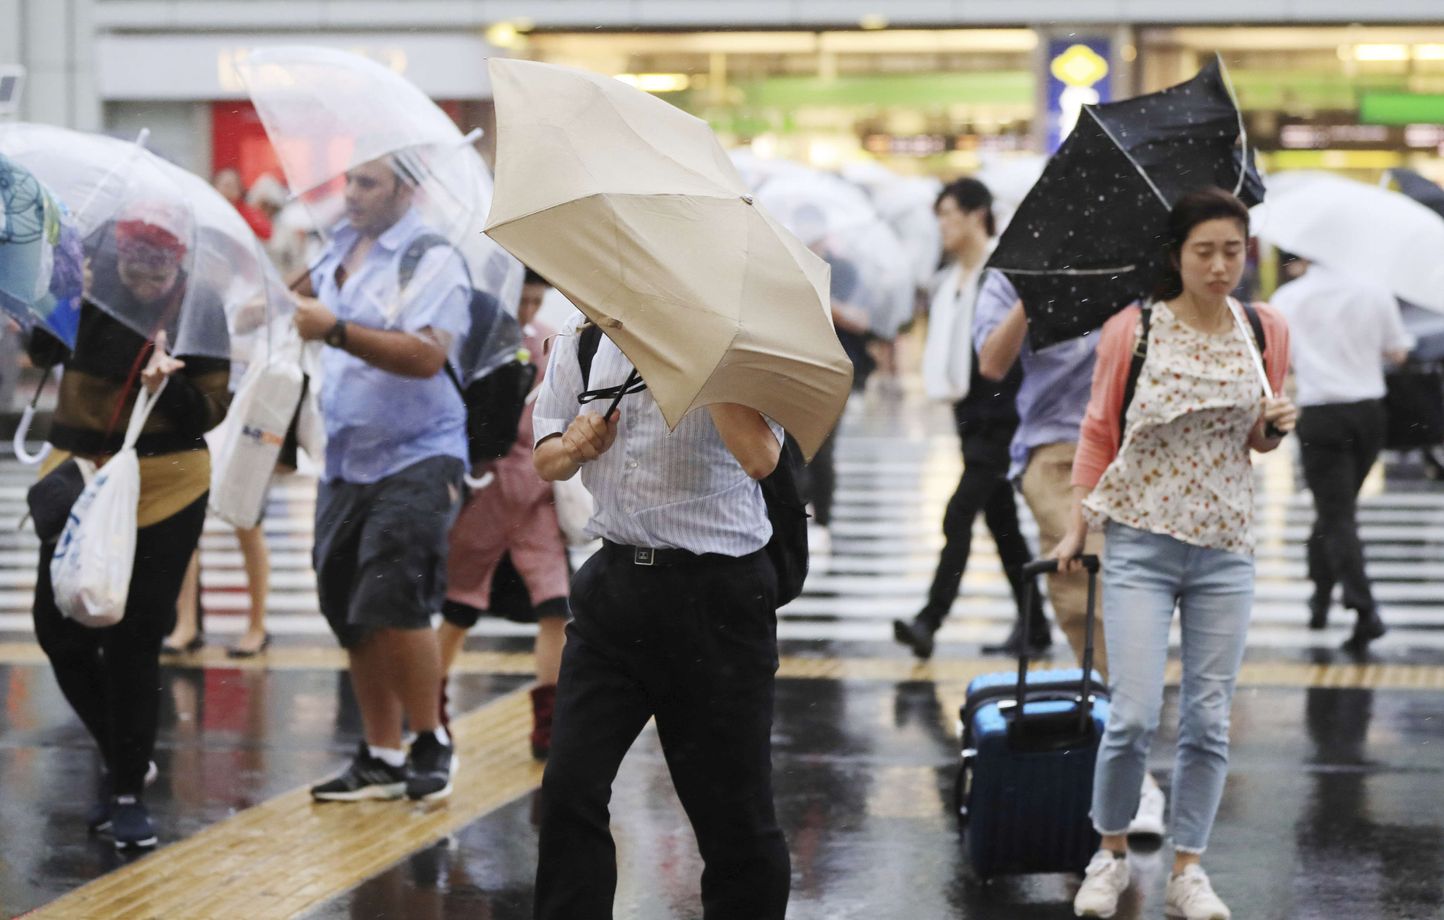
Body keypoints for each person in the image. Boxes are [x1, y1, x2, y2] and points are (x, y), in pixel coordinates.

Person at [1060, 189, 1296, 920]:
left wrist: (1273, 429)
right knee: (1131, 714)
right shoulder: (1132, 330)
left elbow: (1252, 444)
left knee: (1208, 719)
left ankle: (1188, 869)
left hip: (1225, 545)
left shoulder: (1264, 330)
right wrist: (1077, 525)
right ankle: (1110, 854)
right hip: (1139, 543)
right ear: (1176, 256)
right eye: (1205, 252)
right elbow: (1100, 429)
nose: (1221, 265)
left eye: (1233, 250)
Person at [530, 317, 791, 919]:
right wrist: (573, 446)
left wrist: (703, 361)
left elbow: (760, 457)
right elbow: (546, 456)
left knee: (733, 819)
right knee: (570, 789)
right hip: (614, 588)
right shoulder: (585, 331)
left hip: (718, 598)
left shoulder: (740, 333)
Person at [28, 205, 232, 849]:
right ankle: (124, 752)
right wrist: (53, 287)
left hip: (166, 483)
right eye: (134, 264)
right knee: (56, 627)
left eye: (158, 267)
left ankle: (125, 792)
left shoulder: (199, 306)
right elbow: (41, 351)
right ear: (117, 253)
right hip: (82, 475)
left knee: (134, 636)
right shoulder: (86, 285)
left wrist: (164, 383)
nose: (145, 278)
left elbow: (210, 410)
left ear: (179, 261)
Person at [975, 233, 1168, 838]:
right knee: (1088, 586)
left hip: (1138, 452)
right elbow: (991, 361)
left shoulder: (1134, 261)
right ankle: (1132, 771)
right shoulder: (1011, 274)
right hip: (1057, 453)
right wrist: (1035, 292)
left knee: (1120, 602)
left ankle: (1118, 753)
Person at [297, 156, 470, 803]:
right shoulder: (339, 247)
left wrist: (335, 330)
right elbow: (284, 303)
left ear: (407, 188)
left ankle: (430, 737)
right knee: (348, 604)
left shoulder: (431, 258)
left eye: (367, 183)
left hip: (417, 453)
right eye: (346, 180)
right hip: (345, 456)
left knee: (393, 588)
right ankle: (380, 753)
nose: (350, 194)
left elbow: (428, 355)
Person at [894, 178, 1046, 660]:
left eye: (948, 214)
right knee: (1003, 526)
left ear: (977, 214)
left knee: (958, 513)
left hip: (1002, 417)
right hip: (970, 418)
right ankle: (1036, 627)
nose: (942, 225)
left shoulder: (1000, 271)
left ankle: (929, 620)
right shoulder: (951, 280)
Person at [438, 268, 569, 758]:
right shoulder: (477, 341)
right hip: (489, 489)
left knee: (555, 603)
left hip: (534, 493)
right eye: (523, 300)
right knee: (460, 604)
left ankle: (550, 723)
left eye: (536, 302)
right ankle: (430, 712)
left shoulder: (547, 342)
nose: (528, 311)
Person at [1271, 258, 1411, 653]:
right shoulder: (1374, 290)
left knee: (1336, 513)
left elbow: (1283, 358)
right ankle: (1322, 594)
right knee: (1337, 512)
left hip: (1321, 412)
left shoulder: (1289, 298)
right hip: (1368, 412)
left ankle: (1362, 608)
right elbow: (1397, 351)